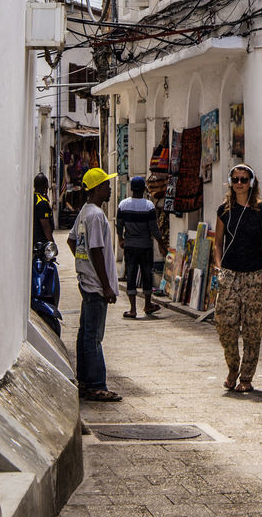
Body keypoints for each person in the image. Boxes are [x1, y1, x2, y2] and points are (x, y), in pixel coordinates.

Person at [212, 164, 262, 393]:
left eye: (244, 179)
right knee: (225, 325)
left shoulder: (261, 210)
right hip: (230, 275)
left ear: (251, 182)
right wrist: (219, 267)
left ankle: (246, 376)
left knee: (252, 329)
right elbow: (218, 242)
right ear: (231, 182)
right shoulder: (224, 210)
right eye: (235, 179)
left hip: (255, 275)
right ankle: (233, 366)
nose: (239, 183)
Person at [68, 167, 122, 403]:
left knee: (85, 334)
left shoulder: (84, 213)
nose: (110, 188)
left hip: (87, 280)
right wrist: (106, 284)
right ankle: (96, 385)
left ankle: (84, 380)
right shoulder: (96, 216)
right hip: (96, 285)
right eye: (106, 185)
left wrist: (83, 265)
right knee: (94, 336)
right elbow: (97, 250)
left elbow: (72, 241)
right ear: (98, 188)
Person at [116, 175, 166, 319]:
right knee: (146, 275)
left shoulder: (123, 205)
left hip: (130, 246)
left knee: (131, 275)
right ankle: (147, 304)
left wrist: (120, 239)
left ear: (131, 189)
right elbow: (154, 229)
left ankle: (132, 309)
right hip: (145, 246)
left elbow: (119, 225)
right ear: (144, 189)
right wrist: (161, 245)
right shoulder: (148, 205)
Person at [33, 173, 55, 246]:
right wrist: (52, 243)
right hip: (42, 242)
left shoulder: (34, 197)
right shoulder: (42, 202)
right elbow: (45, 226)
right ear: (45, 185)